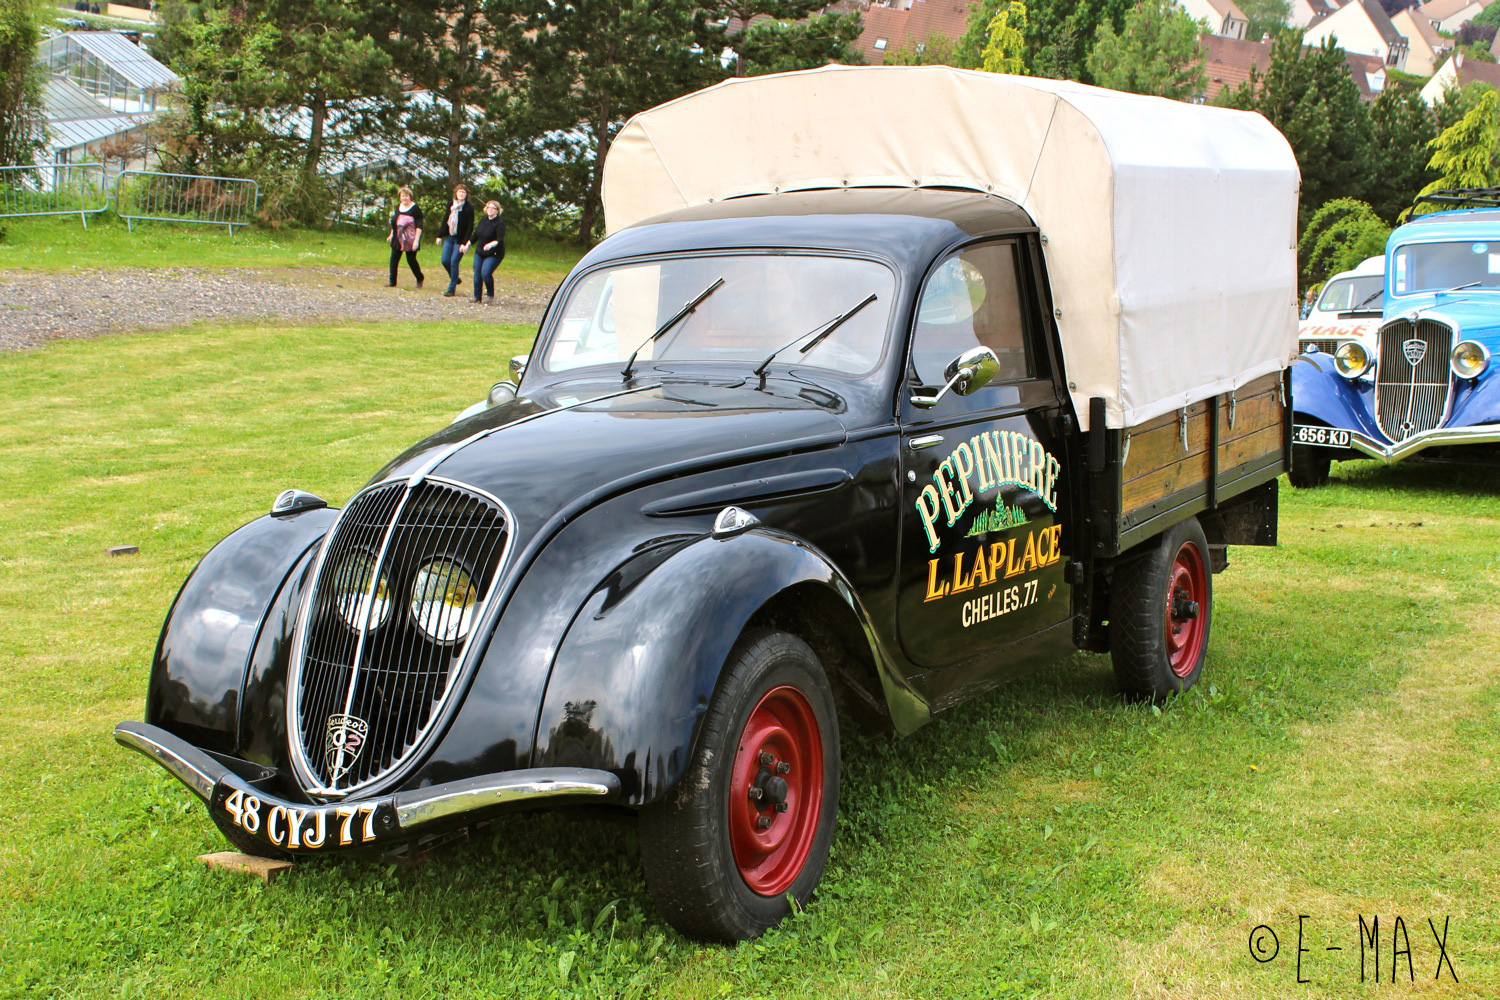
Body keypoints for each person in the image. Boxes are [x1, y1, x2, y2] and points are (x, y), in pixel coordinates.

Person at [435, 184, 475, 297]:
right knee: (445, 261)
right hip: (450, 237)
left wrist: (465, 243)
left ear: (466, 194)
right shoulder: (451, 205)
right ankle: (455, 278)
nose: (461, 194)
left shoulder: (468, 208)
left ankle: (451, 289)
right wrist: (439, 236)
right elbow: (445, 221)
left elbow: (469, 227)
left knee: (454, 262)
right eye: (459, 192)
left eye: (463, 192)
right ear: (456, 193)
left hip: (460, 239)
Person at [465, 200, 505, 304]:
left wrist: (491, 244)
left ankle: (490, 294)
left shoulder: (499, 224)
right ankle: (477, 297)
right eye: (489, 207)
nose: (490, 210)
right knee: (477, 273)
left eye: (493, 208)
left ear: (497, 211)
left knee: (485, 272)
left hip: (494, 253)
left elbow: (499, 239)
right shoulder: (483, 221)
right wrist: (467, 245)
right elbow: (475, 235)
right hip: (480, 252)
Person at [386, 187, 424, 289]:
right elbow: (396, 223)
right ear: (400, 197)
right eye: (402, 196)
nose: (404, 198)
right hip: (398, 238)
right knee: (394, 259)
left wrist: (416, 240)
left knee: (411, 260)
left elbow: (419, 225)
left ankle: (419, 278)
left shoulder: (415, 209)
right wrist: (391, 234)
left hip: (410, 239)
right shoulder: (398, 207)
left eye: (406, 196)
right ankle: (392, 281)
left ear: (410, 196)